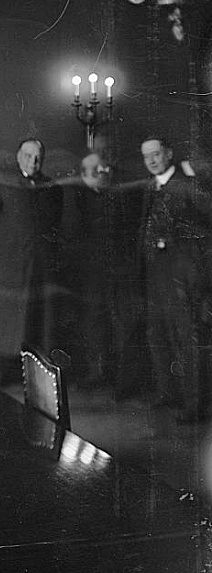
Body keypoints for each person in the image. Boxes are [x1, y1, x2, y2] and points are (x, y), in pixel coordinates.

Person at [0, 139, 64, 386]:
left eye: (37, 157)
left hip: (39, 266)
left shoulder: (50, 186)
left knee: (36, 321)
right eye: (28, 155)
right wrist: (8, 245)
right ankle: (1, 375)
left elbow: (54, 225)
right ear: (18, 156)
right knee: (4, 321)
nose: (32, 161)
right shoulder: (2, 181)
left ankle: (34, 379)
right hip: (8, 264)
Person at [138, 136, 212, 423]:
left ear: (168, 154)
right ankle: (168, 395)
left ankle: (193, 405)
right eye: (147, 157)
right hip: (156, 277)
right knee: (158, 336)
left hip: (183, 277)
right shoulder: (151, 187)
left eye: (156, 154)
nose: (152, 160)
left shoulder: (187, 185)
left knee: (186, 339)